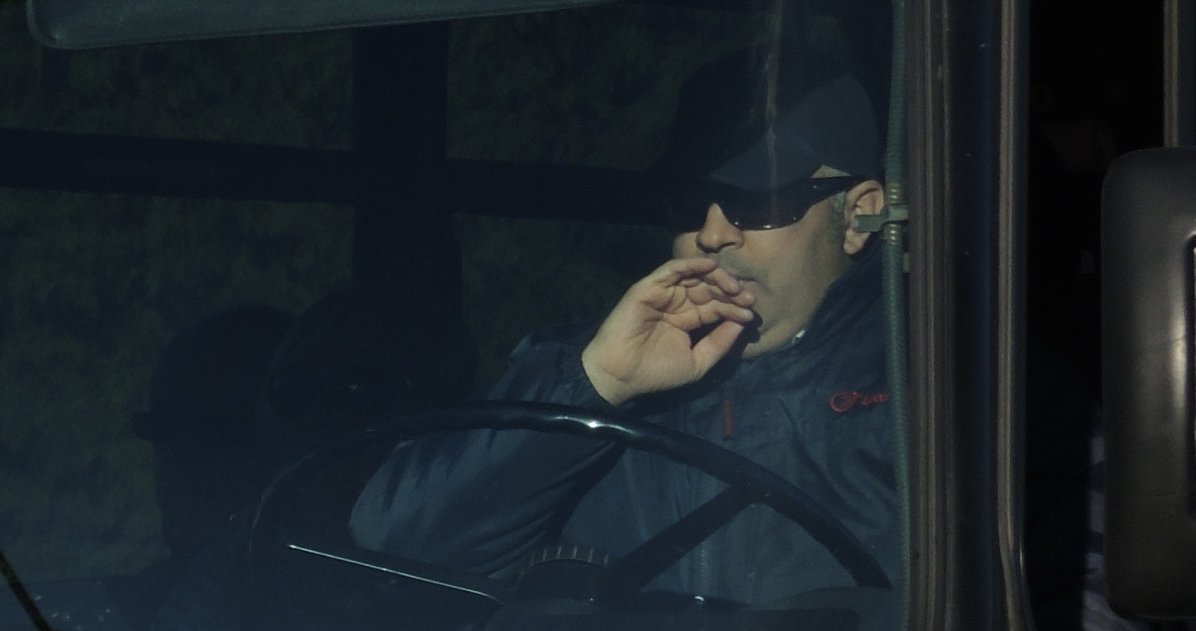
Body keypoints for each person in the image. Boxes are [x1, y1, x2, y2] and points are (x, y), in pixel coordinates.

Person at [350, 75, 896, 597]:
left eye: (761, 199)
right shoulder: (586, 368)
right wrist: (598, 385)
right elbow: (398, 557)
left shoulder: (931, 382)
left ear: (857, 216)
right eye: (686, 200)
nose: (711, 234)